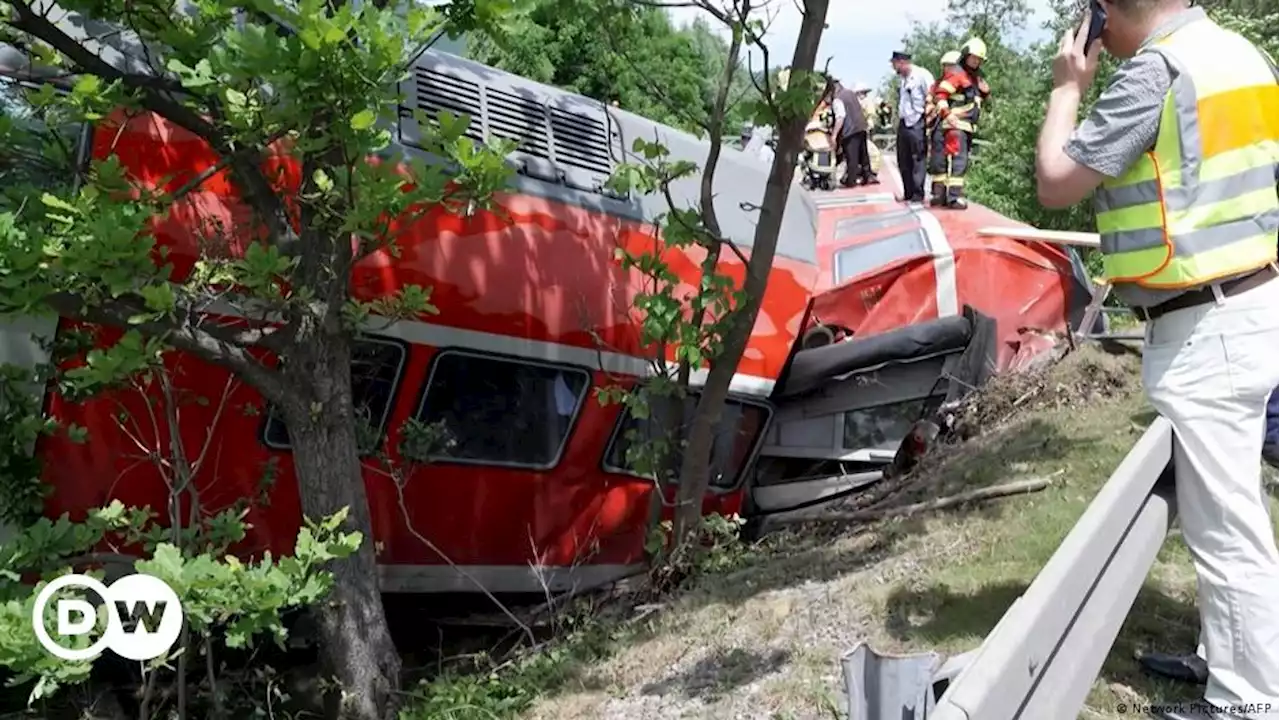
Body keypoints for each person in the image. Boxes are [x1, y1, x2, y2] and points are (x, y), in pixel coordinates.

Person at [1034, 1, 1280, 718]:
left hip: (1207, 325)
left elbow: (1056, 181)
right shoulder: (1241, 55)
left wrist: (1066, 87)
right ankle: (1223, 656)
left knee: (1227, 527)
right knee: (1229, 507)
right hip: (1251, 299)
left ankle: (1249, 701)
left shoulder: (1156, 75)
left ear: (1107, 13)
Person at [928, 38, 991, 209]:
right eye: (973, 58)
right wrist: (947, 114)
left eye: (979, 59)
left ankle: (940, 195)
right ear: (965, 56)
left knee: (945, 160)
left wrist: (985, 92)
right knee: (958, 161)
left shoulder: (974, 78)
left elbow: (975, 97)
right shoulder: (958, 74)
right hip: (956, 125)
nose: (976, 62)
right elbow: (940, 95)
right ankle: (953, 197)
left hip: (964, 126)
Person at [891, 50, 934, 202]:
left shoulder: (922, 75)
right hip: (904, 122)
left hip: (917, 121)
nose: (894, 68)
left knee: (917, 158)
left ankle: (917, 193)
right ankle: (908, 192)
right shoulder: (903, 79)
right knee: (903, 158)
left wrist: (928, 120)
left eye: (895, 64)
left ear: (902, 63)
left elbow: (932, 95)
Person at [830, 78, 876, 186]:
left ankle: (851, 180)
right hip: (861, 126)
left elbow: (840, 117)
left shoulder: (838, 99)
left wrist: (834, 135)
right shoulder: (850, 93)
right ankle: (867, 175)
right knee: (863, 154)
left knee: (852, 157)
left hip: (850, 130)